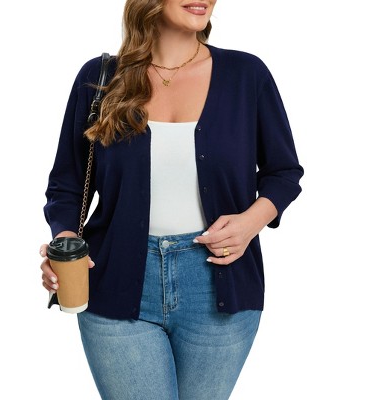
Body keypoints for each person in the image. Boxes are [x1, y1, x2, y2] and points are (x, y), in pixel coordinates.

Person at [40, 0, 304, 399]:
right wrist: (64, 244)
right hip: (115, 280)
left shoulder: (246, 75)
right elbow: (67, 184)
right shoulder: (100, 77)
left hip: (219, 285)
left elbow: (283, 172)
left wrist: (250, 223)